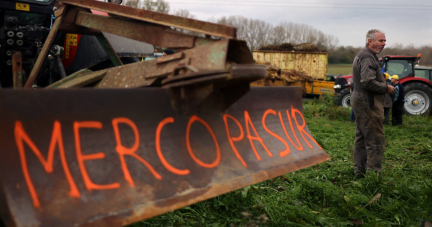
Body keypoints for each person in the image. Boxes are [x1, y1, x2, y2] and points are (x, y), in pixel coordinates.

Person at [351, 29, 395, 178]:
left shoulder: (365, 55)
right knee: (375, 140)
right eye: (380, 40)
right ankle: (373, 176)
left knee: (362, 138)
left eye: (384, 40)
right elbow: (367, 81)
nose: (384, 43)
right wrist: (386, 87)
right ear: (370, 41)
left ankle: (360, 172)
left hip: (361, 99)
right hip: (367, 102)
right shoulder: (368, 57)